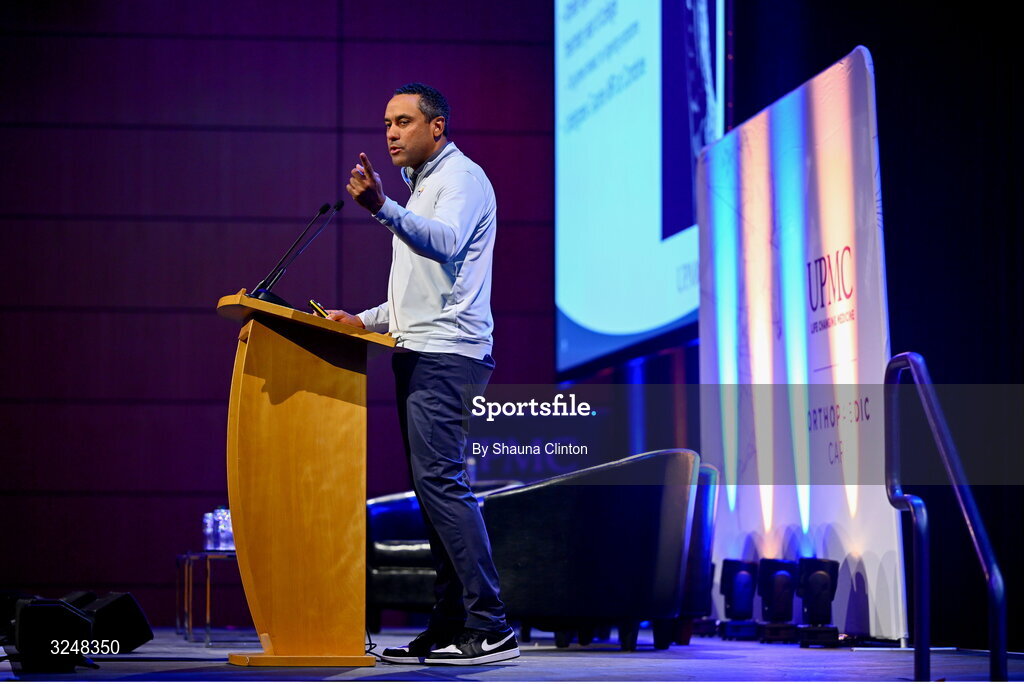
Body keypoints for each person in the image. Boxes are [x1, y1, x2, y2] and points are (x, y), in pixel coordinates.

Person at [326, 83, 519, 666]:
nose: (390, 132)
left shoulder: (459, 179)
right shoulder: (422, 188)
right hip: (420, 349)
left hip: (447, 356)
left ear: (436, 128)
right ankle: (449, 625)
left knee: (443, 488)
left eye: (404, 121)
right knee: (434, 495)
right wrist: (360, 319)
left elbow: (446, 243)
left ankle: (492, 626)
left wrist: (382, 208)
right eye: (386, 121)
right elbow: (416, 299)